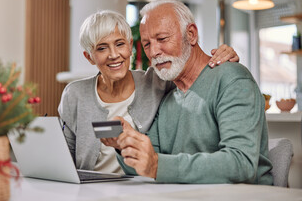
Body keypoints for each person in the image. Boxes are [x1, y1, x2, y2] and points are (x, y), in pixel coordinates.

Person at [110, 0, 273, 184]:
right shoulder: (169, 96)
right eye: (147, 44)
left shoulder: (232, 80)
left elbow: (241, 163)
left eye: (162, 39)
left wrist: (157, 165)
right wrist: (125, 145)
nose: (154, 51)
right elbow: (150, 163)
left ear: (191, 34)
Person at [58, 10, 239, 174]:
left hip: (145, 187)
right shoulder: (74, 94)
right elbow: (64, 158)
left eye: (120, 44)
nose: (113, 55)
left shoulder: (158, 81)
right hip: (89, 192)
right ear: (89, 57)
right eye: (102, 48)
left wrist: (221, 58)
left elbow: (191, 70)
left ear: (130, 46)